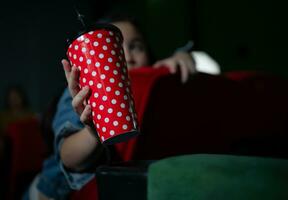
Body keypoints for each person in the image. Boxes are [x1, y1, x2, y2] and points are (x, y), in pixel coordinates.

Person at [23, 13, 206, 200]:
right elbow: (69, 158)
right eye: (115, 48)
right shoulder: (82, 92)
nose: (127, 56)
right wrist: (93, 131)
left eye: (136, 47)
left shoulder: (151, 86)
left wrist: (173, 65)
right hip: (51, 193)